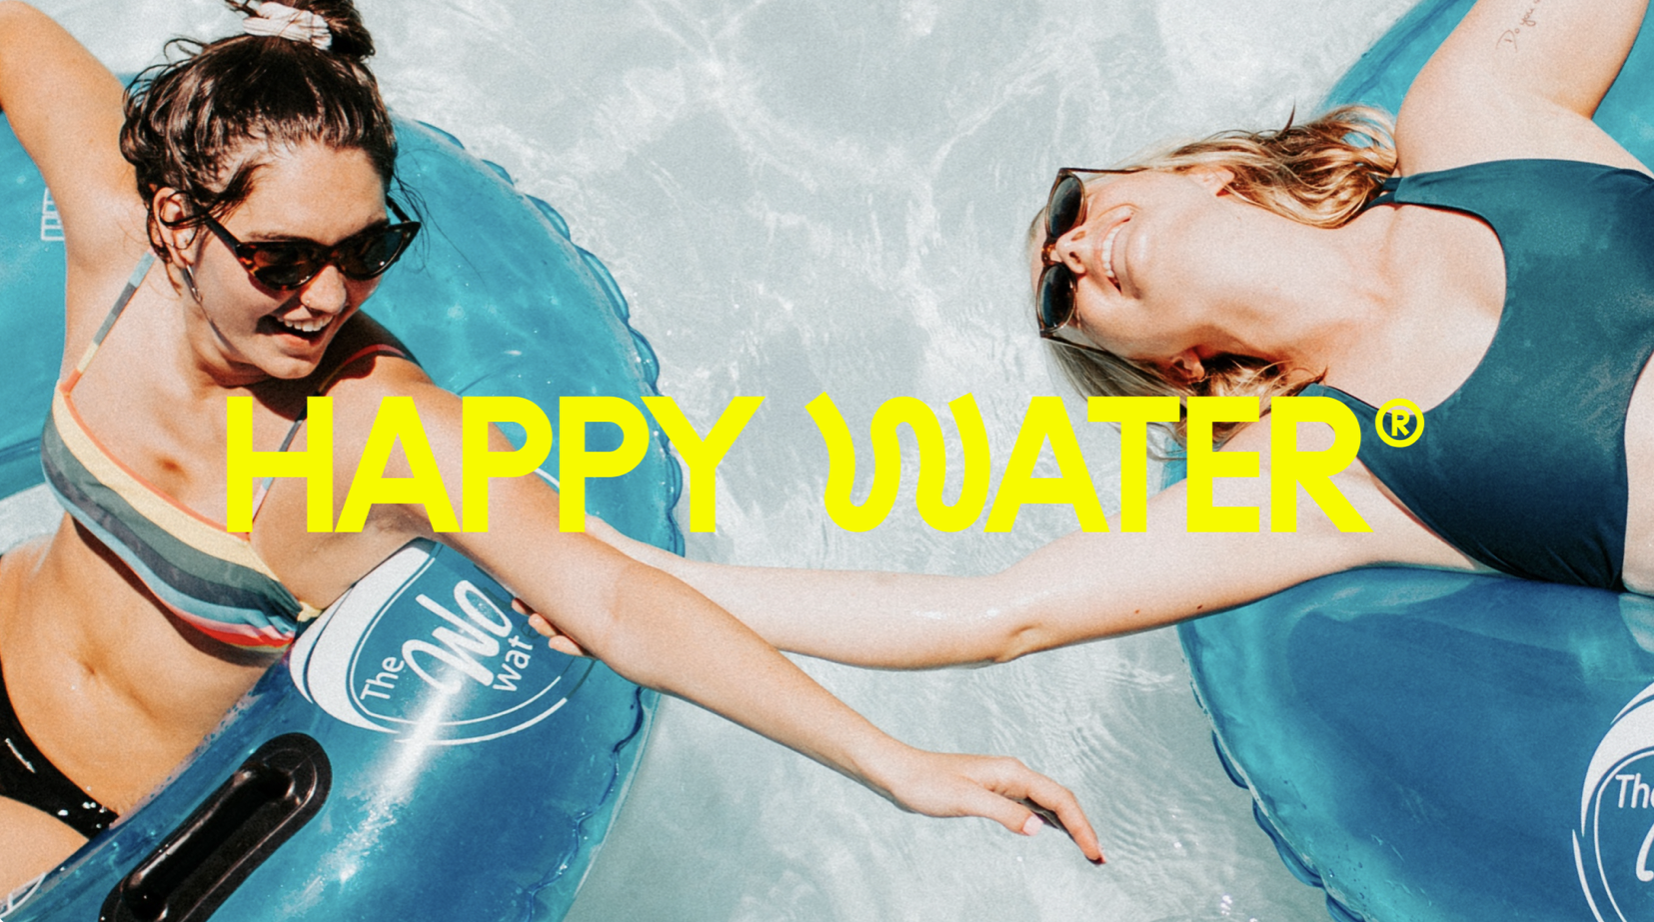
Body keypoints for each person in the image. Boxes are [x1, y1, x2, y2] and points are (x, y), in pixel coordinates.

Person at [0, 0, 1104, 891]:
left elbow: (618, 600)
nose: (328, 297)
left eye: (368, 248)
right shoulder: (114, 252)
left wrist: (895, 765)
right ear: (181, 225)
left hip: (82, 816)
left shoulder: (384, 427)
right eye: (284, 260)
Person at [570, 0, 1654, 758]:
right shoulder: (1311, 472)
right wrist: (606, 567)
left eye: (1068, 208)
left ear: (1199, 174)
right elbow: (994, 615)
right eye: (1057, 298)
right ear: (1172, 368)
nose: (1069, 251)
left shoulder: (1474, 123)